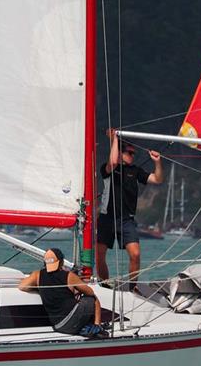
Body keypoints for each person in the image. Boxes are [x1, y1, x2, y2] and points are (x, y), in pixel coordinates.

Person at [96, 129, 163, 287]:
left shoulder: (135, 171)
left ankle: (133, 287)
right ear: (120, 153)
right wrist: (114, 140)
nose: (132, 156)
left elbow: (158, 179)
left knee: (135, 254)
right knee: (99, 255)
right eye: (129, 153)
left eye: (133, 154)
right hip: (107, 218)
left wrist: (157, 162)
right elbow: (112, 162)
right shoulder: (107, 169)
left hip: (127, 220)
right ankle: (104, 284)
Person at [18, 248, 107, 338]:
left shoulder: (37, 275)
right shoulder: (68, 276)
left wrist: (40, 289)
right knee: (91, 298)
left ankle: (87, 326)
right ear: (61, 262)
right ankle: (97, 326)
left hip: (58, 326)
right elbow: (90, 292)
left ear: (45, 263)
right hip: (71, 323)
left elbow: (22, 286)